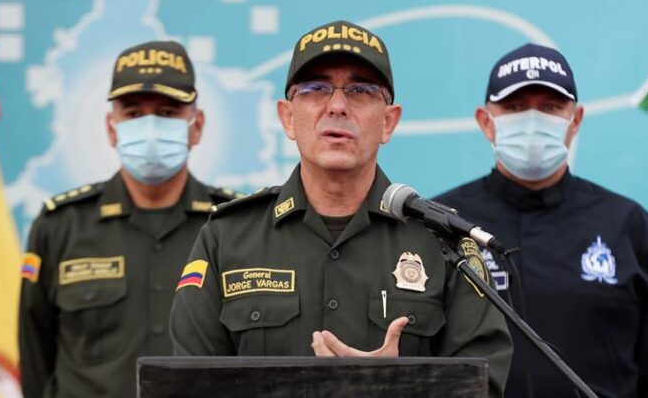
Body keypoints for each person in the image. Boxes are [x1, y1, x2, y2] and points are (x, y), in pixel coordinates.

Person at [169, 20, 513, 396]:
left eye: (360, 90)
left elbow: (484, 385)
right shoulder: (227, 238)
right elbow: (189, 385)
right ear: (287, 116)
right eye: (316, 88)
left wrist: (392, 389)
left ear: (389, 121)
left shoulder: (442, 243)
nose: (337, 106)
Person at [433, 43, 648, 398]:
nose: (533, 120)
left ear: (576, 120)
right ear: (485, 122)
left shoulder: (629, 227)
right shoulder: (440, 224)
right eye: (515, 107)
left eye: (550, 107)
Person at [18, 40, 241, 398]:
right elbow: (35, 359)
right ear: (111, 127)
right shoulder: (59, 227)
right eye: (133, 114)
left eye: (168, 113)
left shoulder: (234, 228)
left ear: (196, 126)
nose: (150, 127)